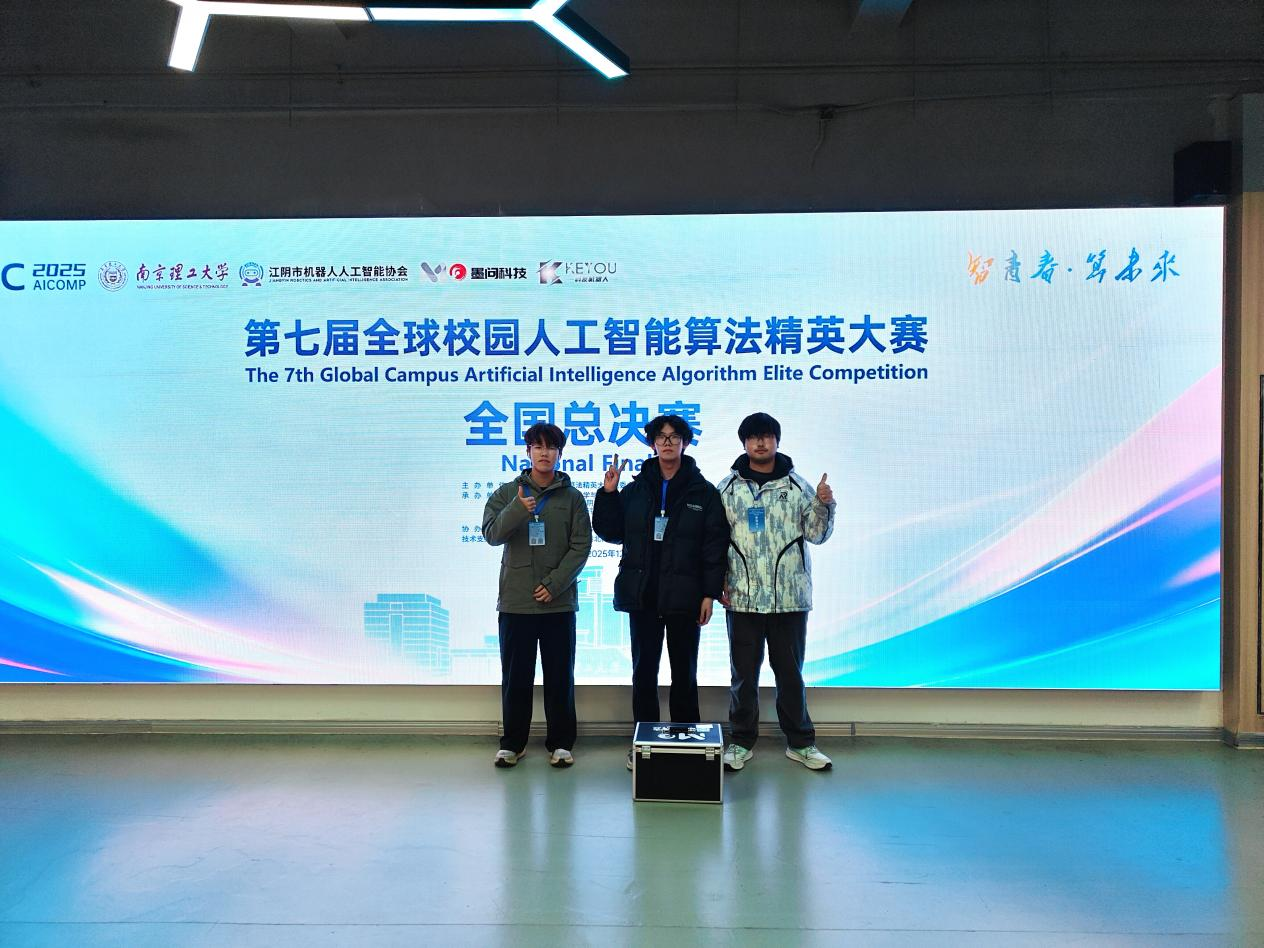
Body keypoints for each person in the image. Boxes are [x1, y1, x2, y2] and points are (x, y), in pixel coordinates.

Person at [592, 415, 730, 770]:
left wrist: (709, 594)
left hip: (686, 597)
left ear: (685, 443)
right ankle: (644, 743)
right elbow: (610, 531)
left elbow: (714, 546)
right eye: (661, 437)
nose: (667, 443)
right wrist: (608, 493)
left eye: (674, 437)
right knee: (643, 673)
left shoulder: (703, 492)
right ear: (652, 444)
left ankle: (686, 743)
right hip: (644, 596)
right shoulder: (636, 490)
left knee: (684, 674)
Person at [717, 412, 836, 771]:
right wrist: (717, 584)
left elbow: (817, 534)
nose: (760, 443)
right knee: (743, 676)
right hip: (743, 599)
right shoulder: (727, 489)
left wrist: (824, 504)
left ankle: (801, 743)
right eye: (753, 437)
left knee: (790, 674)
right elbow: (714, 542)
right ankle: (740, 742)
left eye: (767, 436)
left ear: (777, 441)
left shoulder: (798, 487)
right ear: (744, 443)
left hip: (789, 600)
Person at [482, 422, 592, 769]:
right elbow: (491, 534)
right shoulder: (507, 493)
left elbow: (581, 546)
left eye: (551, 447)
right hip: (516, 602)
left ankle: (561, 743)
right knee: (516, 678)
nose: (545, 453)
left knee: (560, 677)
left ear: (560, 453)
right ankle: (512, 744)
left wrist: (555, 584)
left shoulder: (573, 498)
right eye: (538, 447)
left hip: (558, 602)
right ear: (528, 451)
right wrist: (518, 509)